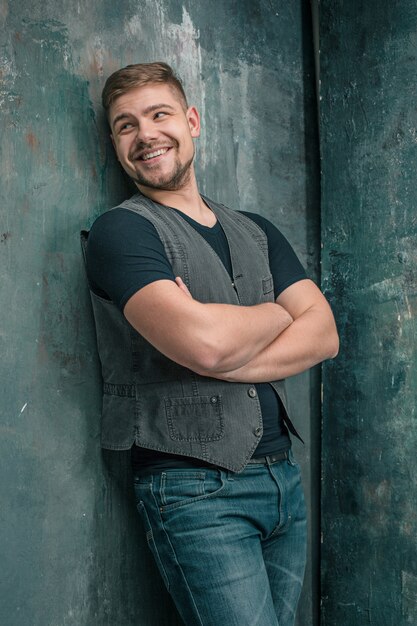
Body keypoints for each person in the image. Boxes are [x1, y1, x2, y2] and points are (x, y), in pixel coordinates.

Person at [83, 61, 339, 626]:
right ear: (115, 144)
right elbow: (203, 346)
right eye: (126, 126)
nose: (145, 133)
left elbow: (323, 335)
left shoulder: (256, 229)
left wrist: (229, 344)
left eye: (159, 114)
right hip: (194, 490)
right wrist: (277, 311)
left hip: (282, 481)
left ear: (192, 121)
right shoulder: (122, 232)